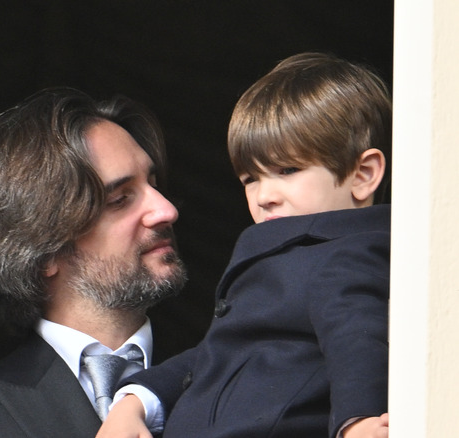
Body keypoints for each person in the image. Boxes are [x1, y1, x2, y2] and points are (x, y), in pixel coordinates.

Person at [99, 52, 391, 438]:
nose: (264, 195)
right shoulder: (284, 253)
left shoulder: (348, 252)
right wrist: (135, 400)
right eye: (251, 178)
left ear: (363, 175)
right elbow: (217, 353)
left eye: (288, 170)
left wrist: (358, 420)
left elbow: (355, 334)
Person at [0, 87, 188, 437]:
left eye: (154, 184)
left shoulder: (234, 363)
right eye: (120, 199)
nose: (166, 211)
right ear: (44, 249)